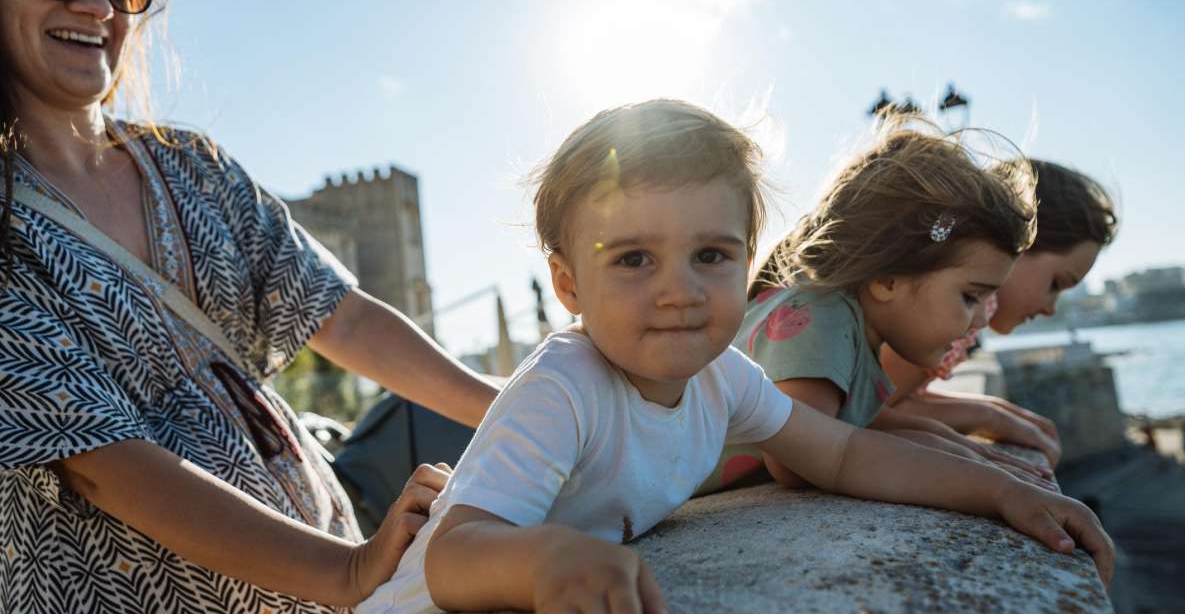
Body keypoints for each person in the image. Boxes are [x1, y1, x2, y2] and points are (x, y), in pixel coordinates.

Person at [357, 100, 1113, 614]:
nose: (678, 290)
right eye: (631, 260)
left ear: (748, 257)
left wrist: (1000, 492)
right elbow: (454, 555)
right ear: (566, 283)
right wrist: (543, 559)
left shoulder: (721, 377)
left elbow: (844, 456)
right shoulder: (561, 387)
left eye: (710, 254)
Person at [0, 0, 496, 611]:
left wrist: (516, 408)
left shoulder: (191, 165)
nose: (99, 7)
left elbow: (344, 314)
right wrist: (346, 569)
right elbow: (105, 463)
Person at [699, 117, 1057, 495]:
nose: (983, 316)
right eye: (971, 296)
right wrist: (949, 461)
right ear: (888, 280)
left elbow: (844, 424)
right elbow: (796, 460)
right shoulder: (821, 320)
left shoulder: (845, 324)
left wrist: (942, 437)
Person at [880, 159, 1119, 466]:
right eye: (1056, 284)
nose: (1050, 308)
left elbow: (894, 398)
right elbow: (867, 410)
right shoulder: (943, 317)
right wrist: (991, 418)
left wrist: (994, 411)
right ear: (1016, 245)